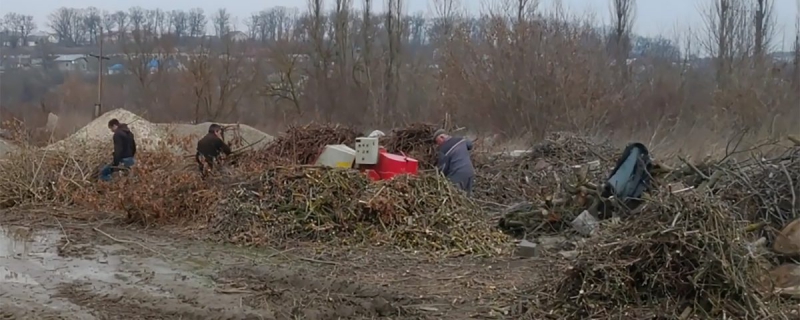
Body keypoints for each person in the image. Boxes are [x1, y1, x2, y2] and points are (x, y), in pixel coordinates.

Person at [433, 129, 475, 195]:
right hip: (470, 171)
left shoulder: (444, 149)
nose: (438, 145)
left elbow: (443, 169)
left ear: (442, 137)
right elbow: (470, 145)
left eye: (437, 142)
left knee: (456, 195)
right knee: (467, 197)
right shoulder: (460, 139)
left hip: (457, 174)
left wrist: (437, 178)